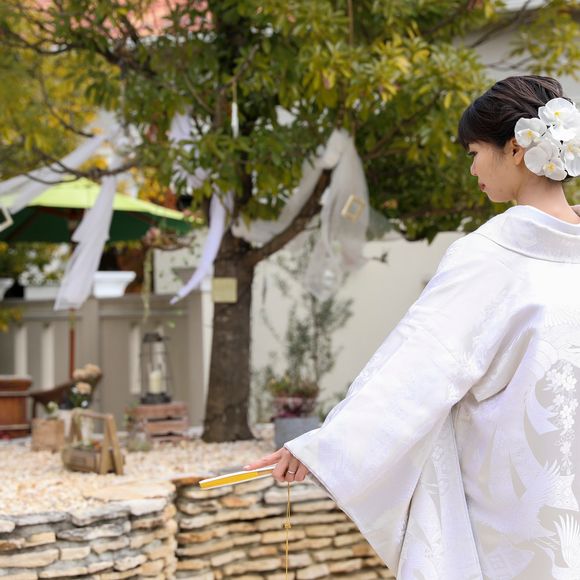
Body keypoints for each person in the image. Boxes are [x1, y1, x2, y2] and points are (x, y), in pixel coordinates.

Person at [243, 75, 580, 579]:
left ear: (515, 149)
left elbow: (420, 367)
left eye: (474, 153)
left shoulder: (489, 257)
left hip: (513, 512)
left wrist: (326, 448)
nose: (472, 168)